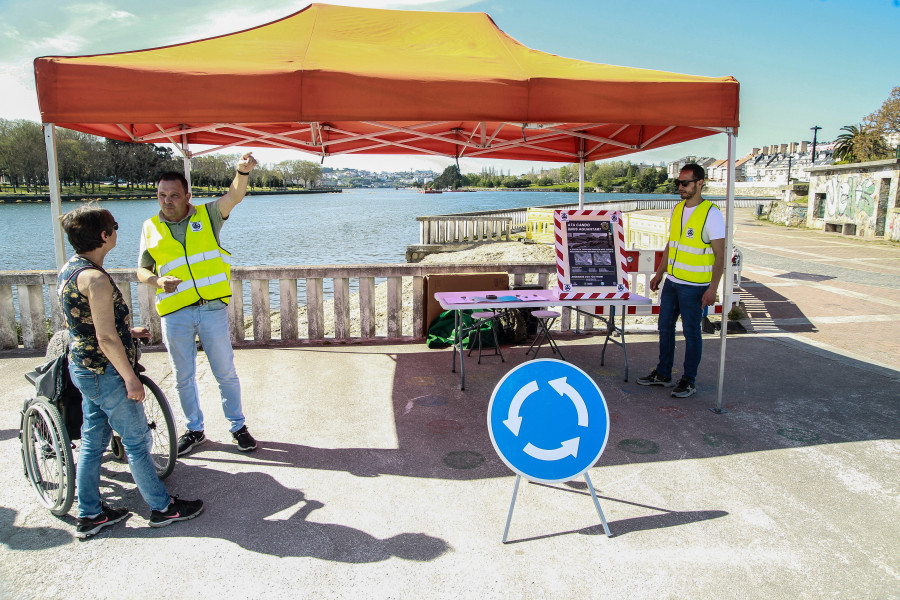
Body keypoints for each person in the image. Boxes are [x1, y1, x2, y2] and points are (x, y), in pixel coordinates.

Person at [58, 204, 203, 538]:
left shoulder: (71, 268)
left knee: (94, 441)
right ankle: (162, 508)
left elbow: (84, 324)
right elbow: (105, 337)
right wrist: (130, 377)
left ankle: (90, 513)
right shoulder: (95, 279)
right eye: (114, 226)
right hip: (106, 372)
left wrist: (129, 333)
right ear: (105, 235)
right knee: (137, 442)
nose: (116, 232)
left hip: (83, 366)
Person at [137, 153, 258, 456]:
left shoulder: (208, 215)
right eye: (162, 195)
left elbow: (234, 196)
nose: (167, 200)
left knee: (225, 372)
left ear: (187, 195)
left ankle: (237, 426)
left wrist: (241, 172)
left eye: (174, 195)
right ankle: (195, 430)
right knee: (183, 376)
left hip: (211, 309)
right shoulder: (149, 227)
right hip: (175, 313)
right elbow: (142, 270)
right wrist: (156, 282)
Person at [637, 163, 726, 398]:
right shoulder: (677, 210)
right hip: (673, 283)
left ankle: (688, 380)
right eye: (678, 182)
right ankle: (664, 373)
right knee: (664, 328)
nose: (680, 187)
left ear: (700, 183)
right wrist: (659, 273)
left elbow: (721, 255)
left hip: (695, 287)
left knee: (691, 333)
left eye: (685, 183)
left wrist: (713, 288)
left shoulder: (711, 214)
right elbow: (671, 244)